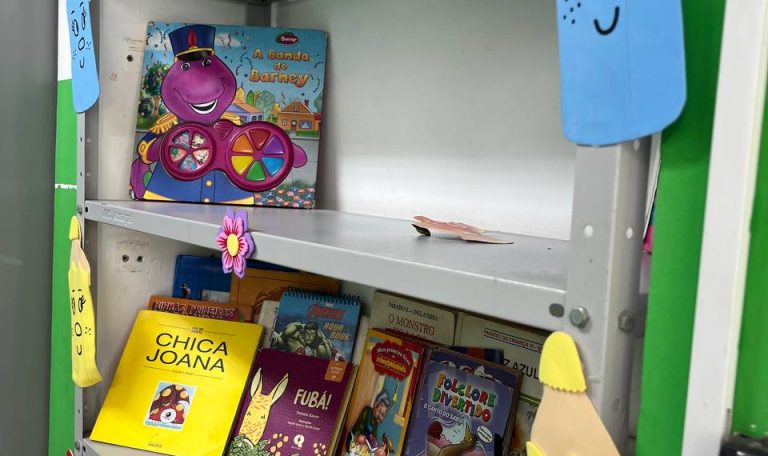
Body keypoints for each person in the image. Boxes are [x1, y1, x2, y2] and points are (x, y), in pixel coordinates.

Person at [346, 390, 393, 455]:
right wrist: (370, 437)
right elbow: (366, 428)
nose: (379, 416)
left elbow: (374, 436)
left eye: (382, 414)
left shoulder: (375, 423)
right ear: (375, 404)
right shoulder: (368, 411)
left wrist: (373, 439)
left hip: (360, 447)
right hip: (354, 438)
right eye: (379, 411)